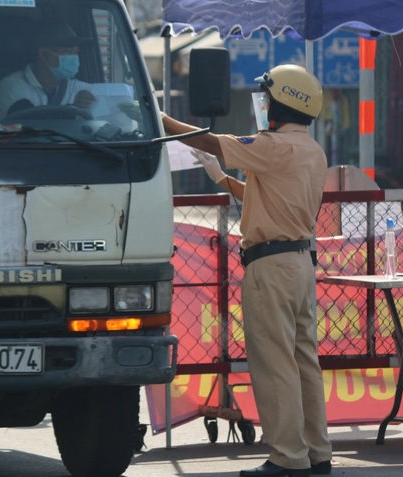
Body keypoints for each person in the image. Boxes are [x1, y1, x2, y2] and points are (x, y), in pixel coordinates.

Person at [163, 64, 332, 477]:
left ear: (281, 103)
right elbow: (266, 196)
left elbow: (213, 141)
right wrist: (222, 179)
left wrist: (160, 118)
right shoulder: (311, 150)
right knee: (302, 361)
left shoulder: (273, 146)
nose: (264, 104)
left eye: (267, 97)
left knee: (274, 363)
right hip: (299, 264)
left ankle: (287, 459)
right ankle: (316, 453)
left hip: (271, 267)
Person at [0, 23, 95, 120]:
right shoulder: (12, 86)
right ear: (44, 55)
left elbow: (106, 97)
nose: (74, 58)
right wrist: (72, 110)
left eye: (75, 53)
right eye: (67, 52)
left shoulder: (78, 89)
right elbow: (32, 124)